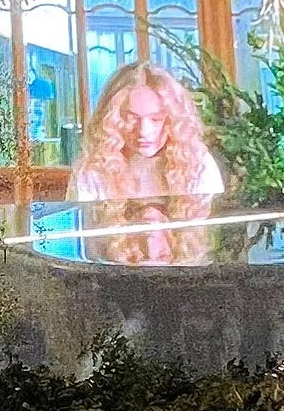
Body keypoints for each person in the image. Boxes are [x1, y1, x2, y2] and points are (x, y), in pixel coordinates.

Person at [71, 61, 227, 265]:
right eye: (131, 118)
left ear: (173, 119)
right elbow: (84, 250)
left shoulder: (198, 165)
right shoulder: (94, 172)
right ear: (111, 120)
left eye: (156, 119)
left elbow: (212, 240)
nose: (144, 131)